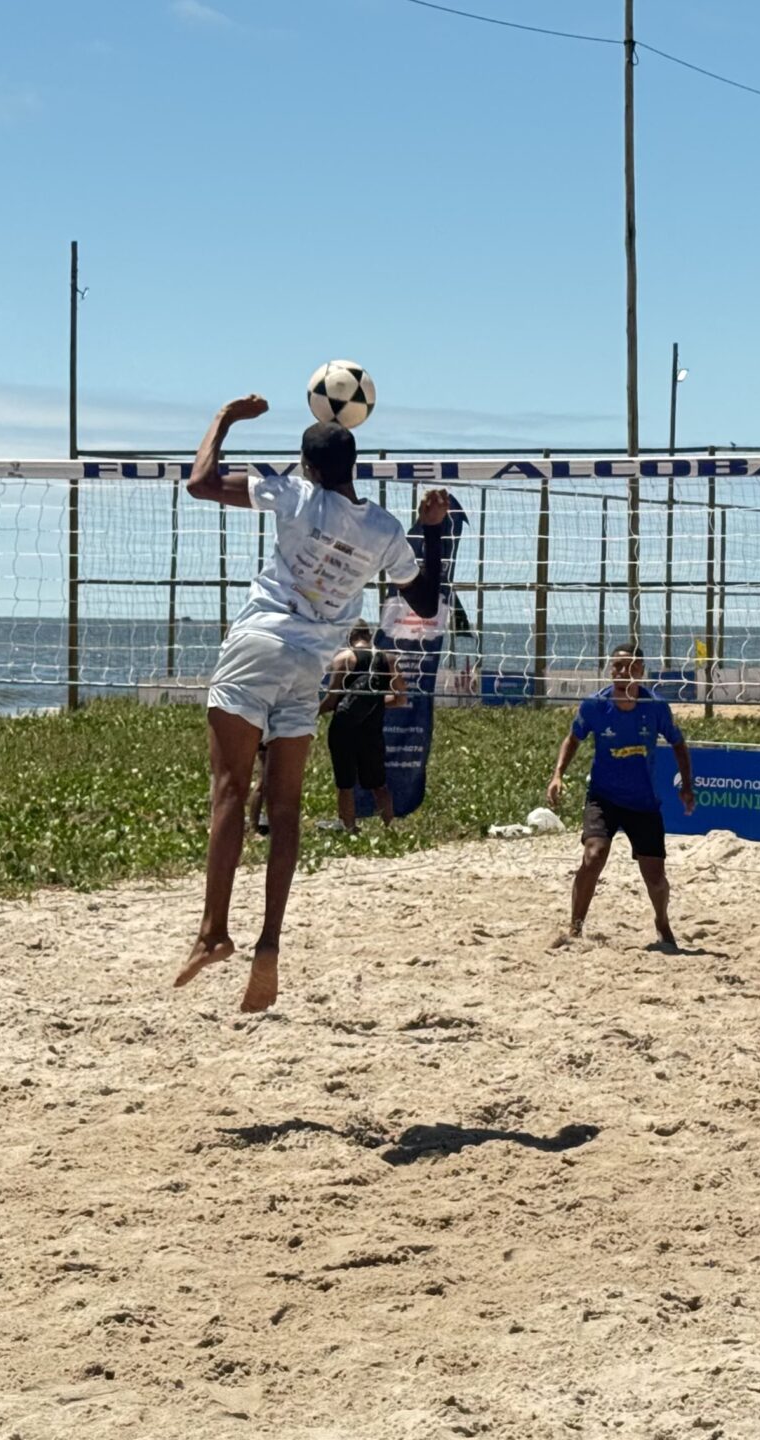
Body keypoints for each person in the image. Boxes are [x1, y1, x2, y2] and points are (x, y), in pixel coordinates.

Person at [173, 395, 451, 1011]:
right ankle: (269, 942)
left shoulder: (296, 495)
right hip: (310, 666)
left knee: (229, 790)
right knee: (286, 809)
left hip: (258, 646)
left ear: (309, 466)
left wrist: (223, 419)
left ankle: (214, 932)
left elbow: (200, 483)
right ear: (352, 466)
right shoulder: (383, 529)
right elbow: (426, 602)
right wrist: (431, 530)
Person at [546, 645, 698, 949]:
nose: (622, 672)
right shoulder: (595, 705)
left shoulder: (656, 707)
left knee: (655, 877)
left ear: (640, 672)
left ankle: (662, 922)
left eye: (629, 666)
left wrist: (686, 786)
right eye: (616, 666)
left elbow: (678, 744)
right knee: (594, 855)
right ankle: (575, 927)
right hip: (603, 797)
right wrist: (558, 774)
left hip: (643, 802)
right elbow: (573, 738)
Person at [320, 621, 405, 834]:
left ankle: (349, 828)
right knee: (378, 783)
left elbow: (331, 701)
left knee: (345, 784)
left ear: (349, 635)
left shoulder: (343, 659)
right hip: (372, 729)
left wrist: (309, 714)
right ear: (369, 634)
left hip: (344, 729)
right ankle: (390, 829)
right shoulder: (389, 659)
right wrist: (373, 703)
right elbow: (400, 699)